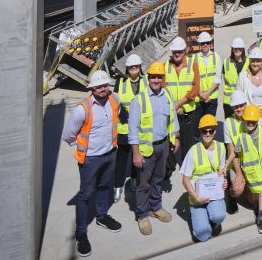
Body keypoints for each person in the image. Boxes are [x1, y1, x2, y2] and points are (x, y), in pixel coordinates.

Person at [62, 70, 123, 257]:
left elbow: (115, 117)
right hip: (90, 159)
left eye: (105, 85)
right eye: (98, 86)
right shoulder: (83, 109)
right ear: (92, 89)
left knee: (105, 186)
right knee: (85, 195)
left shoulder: (115, 99)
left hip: (110, 153)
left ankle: (102, 216)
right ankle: (81, 233)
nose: (103, 89)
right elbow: (67, 135)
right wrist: (83, 147)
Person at [129, 61, 180, 236]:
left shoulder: (167, 95)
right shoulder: (140, 100)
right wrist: (136, 153)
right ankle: (142, 215)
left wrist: (176, 137)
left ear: (163, 78)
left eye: (159, 77)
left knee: (159, 178)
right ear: (148, 77)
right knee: (144, 183)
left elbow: (172, 118)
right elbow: (133, 130)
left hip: (163, 145)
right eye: (153, 77)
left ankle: (155, 207)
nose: (156, 80)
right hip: (146, 149)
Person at [181, 114, 228, 242]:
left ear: (215, 131)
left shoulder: (221, 147)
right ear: (200, 131)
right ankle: (199, 216)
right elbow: (185, 179)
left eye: (211, 130)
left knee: (218, 216)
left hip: (213, 194)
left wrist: (224, 181)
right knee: (203, 235)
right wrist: (196, 197)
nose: (208, 134)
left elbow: (221, 171)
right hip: (197, 198)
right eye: (204, 131)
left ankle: (210, 217)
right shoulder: (193, 151)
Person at [235, 104, 262, 233]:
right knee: (254, 192)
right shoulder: (242, 137)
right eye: (248, 121)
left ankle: (260, 216)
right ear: (244, 120)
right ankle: (255, 204)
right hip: (251, 172)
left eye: (253, 122)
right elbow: (237, 153)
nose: (251, 124)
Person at [114, 54, 148, 203]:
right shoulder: (120, 82)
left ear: (140, 67)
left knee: (137, 158)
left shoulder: (146, 81)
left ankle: (134, 180)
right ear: (127, 68)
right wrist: (124, 115)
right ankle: (117, 186)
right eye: (131, 66)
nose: (134, 68)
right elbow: (115, 102)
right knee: (121, 159)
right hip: (124, 128)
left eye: (136, 66)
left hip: (141, 128)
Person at [164, 36, 200, 173]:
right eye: (174, 52)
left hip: (186, 111)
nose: (177, 54)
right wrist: (173, 107)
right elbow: (162, 87)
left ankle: (187, 167)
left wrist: (179, 105)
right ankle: (170, 167)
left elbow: (195, 88)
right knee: (170, 140)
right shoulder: (166, 66)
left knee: (187, 142)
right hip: (172, 111)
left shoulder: (192, 64)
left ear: (185, 51)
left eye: (180, 51)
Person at [222, 91, 248, 214]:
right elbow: (231, 150)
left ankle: (249, 188)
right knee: (237, 190)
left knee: (254, 201)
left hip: (250, 161)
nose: (239, 109)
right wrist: (238, 173)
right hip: (236, 161)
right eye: (236, 106)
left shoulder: (253, 117)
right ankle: (231, 194)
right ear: (232, 107)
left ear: (246, 104)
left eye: (241, 105)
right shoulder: (228, 123)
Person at [191, 31, 222, 131]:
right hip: (198, 99)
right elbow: (192, 79)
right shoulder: (194, 59)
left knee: (210, 127)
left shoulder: (216, 57)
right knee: (197, 127)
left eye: (207, 43)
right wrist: (201, 94)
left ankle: (209, 146)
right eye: (203, 43)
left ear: (210, 43)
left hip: (211, 98)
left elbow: (217, 78)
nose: (205, 45)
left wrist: (208, 94)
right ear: (199, 44)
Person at [237, 47, 262, 124]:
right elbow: (239, 97)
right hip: (249, 116)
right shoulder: (243, 76)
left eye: (258, 61)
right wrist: (252, 110)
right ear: (250, 61)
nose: (255, 64)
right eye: (253, 61)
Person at [222, 37, 248, 119]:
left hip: (244, 100)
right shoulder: (226, 62)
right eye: (235, 48)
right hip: (229, 101)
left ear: (243, 49)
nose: (237, 50)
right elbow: (224, 79)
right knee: (230, 125)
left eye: (240, 48)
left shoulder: (248, 62)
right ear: (232, 49)